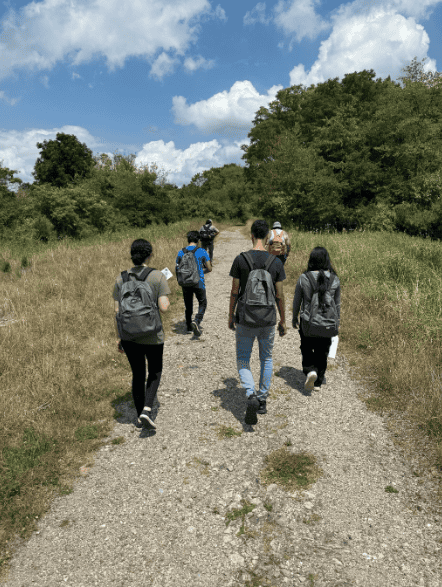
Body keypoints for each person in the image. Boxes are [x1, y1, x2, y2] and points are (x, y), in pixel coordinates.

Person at [228, 219, 287, 425]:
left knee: (243, 358)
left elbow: (235, 291)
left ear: (251, 235)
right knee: (267, 358)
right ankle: (262, 400)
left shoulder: (241, 259)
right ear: (268, 238)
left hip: (245, 317)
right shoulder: (276, 262)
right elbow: (279, 295)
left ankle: (250, 393)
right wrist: (283, 321)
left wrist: (230, 316)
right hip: (269, 318)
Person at [113, 239, 170, 430]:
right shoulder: (157, 276)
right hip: (153, 335)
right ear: (150, 254)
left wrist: (120, 337)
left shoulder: (121, 279)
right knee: (154, 371)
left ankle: (139, 416)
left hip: (129, 336)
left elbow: (117, 312)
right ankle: (147, 409)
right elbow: (164, 308)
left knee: (138, 374)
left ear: (132, 255)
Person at [292, 246, 341, 392]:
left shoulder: (304, 278)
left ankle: (310, 370)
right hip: (327, 322)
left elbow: (297, 300)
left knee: (306, 346)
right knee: (323, 350)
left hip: (308, 321)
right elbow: (337, 305)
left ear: (311, 260)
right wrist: (336, 323)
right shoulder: (335, 279)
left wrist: (294, 317)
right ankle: (319, 381)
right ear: (327, 260)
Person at [176, 231, 212, 337]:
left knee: (188, 305)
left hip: (185, 282)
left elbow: (177, 268)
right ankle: (196, 321)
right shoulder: (202, 251)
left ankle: (188, 327)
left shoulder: (181, 252)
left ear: (188, 240)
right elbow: (209, 268)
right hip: (198, 282)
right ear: (199, 240)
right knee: (202, 302)